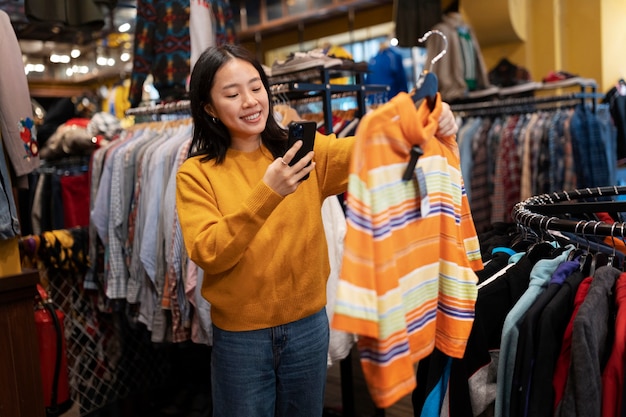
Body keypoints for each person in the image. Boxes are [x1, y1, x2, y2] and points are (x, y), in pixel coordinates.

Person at [175, 44, 459, 417]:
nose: (249, 101)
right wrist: (268, 193)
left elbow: (372, 149)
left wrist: (428, 121)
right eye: (232, 94)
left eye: (256, 87)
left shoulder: (302, 152)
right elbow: (210, 251)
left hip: (308, 328)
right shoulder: (196, 173)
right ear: (210, 108)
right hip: (242, 338)